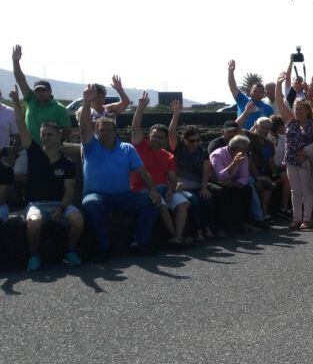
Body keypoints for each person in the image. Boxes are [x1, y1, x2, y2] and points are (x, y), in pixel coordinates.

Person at [77, 84, 161, 257]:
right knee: (90, 204)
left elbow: (142, 171)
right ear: (96, 132)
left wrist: (152, 190)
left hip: (124, 195)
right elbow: (84, 123)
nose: (105, 133)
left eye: (109, 130)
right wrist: (86, 101)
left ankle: (140, 241)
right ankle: (104, 246)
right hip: (97, 196)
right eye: (101, 130)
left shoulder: (127, 148)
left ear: (116, 132)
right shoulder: (90, 146)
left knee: (152, 202)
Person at [9, 90, 83, 270]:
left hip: (60, 204)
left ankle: (70, 251)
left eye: (49, 134)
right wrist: (16, 103)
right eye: (43, 134)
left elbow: (69, 192)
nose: (45, 137)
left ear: (59, 136)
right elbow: (21, 126)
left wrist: (62, 207)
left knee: (78, 220)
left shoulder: (67, 164)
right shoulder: (34, 153)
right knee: (34, 222)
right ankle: (34, 255)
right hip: (36, 205)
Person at [131, 92, 191, 246]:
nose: (157, 139)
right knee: (161, 204)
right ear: (149, 136)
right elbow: (135, 127)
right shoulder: (140, 146)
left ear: (165, 140)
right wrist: (141, 107)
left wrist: (171, 191)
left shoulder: (168, 156)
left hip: (164, 188)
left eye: (160, 137)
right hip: (143, 189)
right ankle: (175, 238)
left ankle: (178, 237)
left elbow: (172, 178)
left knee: (183, 203)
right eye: (154, 136)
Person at [273, 64, 313, 230]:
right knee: (295, 191)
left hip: (305, 160)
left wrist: (307, 152)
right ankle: (296, 219)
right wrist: (278, 84)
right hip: (290, 160)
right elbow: (280, 103)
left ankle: (307, 219)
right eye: (296, 109)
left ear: (307, 110)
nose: (297, 112)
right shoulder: (290, 120)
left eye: (300, 109)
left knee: (307, 191)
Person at [11, 45, 72, 145]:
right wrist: (15, 61)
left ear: (50, 91)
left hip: (49, 151)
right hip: (29, 149)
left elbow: (67, 131)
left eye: (43, 90)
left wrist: (54, 144)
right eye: (37, 90)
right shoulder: (31, 100)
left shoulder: (59, 109)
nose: (40, 93)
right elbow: (20, 79)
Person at [171, 123, 216, 241]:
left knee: (207, 199)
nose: (195, 143)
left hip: (197, 184)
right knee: (193, 201)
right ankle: (198, 231)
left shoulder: (202, 151)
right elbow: (171, 132)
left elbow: (205, 171)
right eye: (192, 141)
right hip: (182, 186)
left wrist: (204, 187)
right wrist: (176, 114)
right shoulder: (179, 149)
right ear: (184, 140)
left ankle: (207, 228)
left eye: (197, 140)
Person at [209, 134, 255, 233]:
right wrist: (234, 163)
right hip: (214, 181)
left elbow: (245, 176)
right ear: (235, 149)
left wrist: (233, 184)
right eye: (244, 150)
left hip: (232, 182)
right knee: (220, 192)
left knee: (247, 190)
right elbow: (221, 176)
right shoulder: (217, 155)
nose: (246, 153)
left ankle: (243, 223)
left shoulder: (243, 155)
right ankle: (220, 226)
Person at [227, 59, 274, 130]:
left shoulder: (268, 108)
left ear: (263, 94)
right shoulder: (242, 99)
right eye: (255, 91)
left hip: (258, 138)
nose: (257, 94)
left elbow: (271, 127)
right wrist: (231, 72)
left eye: (260, 92)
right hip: (241, 135)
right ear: (250, 91)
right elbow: (232, 86)